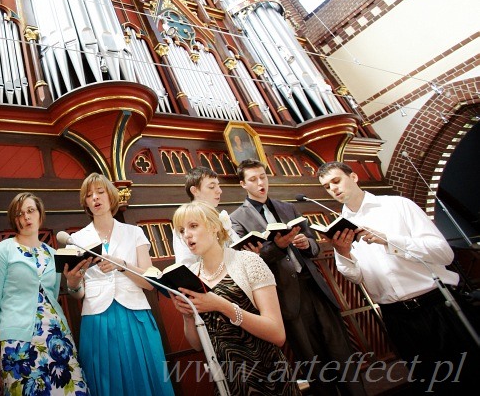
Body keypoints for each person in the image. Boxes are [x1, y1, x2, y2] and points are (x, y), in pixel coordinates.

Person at [317, 161, 479, 393]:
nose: (333, 189)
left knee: (469, 373)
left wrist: (389, 240)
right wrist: (343, 254)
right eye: (326, 187)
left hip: (436, 305)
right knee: (429, 383)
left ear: (353, 177)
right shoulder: (341, 227)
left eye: (336, 181)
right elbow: (356, 277)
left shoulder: (397, 206)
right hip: (397, 317)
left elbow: (444, 253)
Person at [230, 159, 365, 396]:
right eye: (253, 179)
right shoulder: (237, 219)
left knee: (342, 353)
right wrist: (278, 247)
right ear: (243, 184)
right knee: (313, 363)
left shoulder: (287, 208)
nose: (261, 182)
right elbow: (247, 263)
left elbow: (315, 246)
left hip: (315, 288)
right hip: (284, 297)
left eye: (263, 176)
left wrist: (306, 243)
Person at [171, 201, 300, 395]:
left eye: (193, 226)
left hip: (268, 376)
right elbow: (198, 345)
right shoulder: (190, 274)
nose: (186, 234)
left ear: (214, 227)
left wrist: (222, 305)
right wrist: (187, 316)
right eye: (181, 230)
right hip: (228, 381)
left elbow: (277, 334)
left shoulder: (248, 261)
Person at [67, 173, 174, 396]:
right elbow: (78, 294)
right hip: (97, 319)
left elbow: (149, 283)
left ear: (111, 196)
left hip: (135, 315)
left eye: (100, 192)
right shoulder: (76, 238)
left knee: (146, 373)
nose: (95, 198)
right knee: (107, 381)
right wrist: (73, 283)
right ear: (85, 202)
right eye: (89, 195)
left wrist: (122, 265)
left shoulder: (134, 232)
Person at [0, 192, 88, 395]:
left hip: (59, 340)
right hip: (18, 347)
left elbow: (56, 294)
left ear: (40, 215)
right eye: (19, 214)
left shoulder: (52, 254)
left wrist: (75, 283)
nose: (26, 217)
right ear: (14, 220)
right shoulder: (2, 251)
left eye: (31, 211)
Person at [172, 167, 239, 265]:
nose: (219, 191)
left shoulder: (219, 217)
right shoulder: (184, 224)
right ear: (195, 191)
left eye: (218, 186)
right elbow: (186, 265)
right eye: (211, 187)